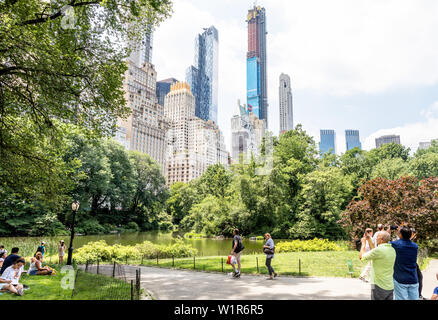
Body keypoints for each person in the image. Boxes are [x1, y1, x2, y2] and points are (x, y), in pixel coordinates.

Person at [360, 231, 396, 300]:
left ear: (382, 239)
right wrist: (369, 240)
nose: (376, 239)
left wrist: (363, 243)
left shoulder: (379, 250)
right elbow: (374, 251)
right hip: (390, 285)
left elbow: (362, 257)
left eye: (377, 237)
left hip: (378, 285)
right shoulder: (392, 250)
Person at [390, 226, 419, 300]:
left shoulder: (396, 245)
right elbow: (408, 240)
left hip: (400, 278)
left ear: (400, 235)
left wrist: (389, 230)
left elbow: (384, 242)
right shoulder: (415, 246)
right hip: (413, 278)